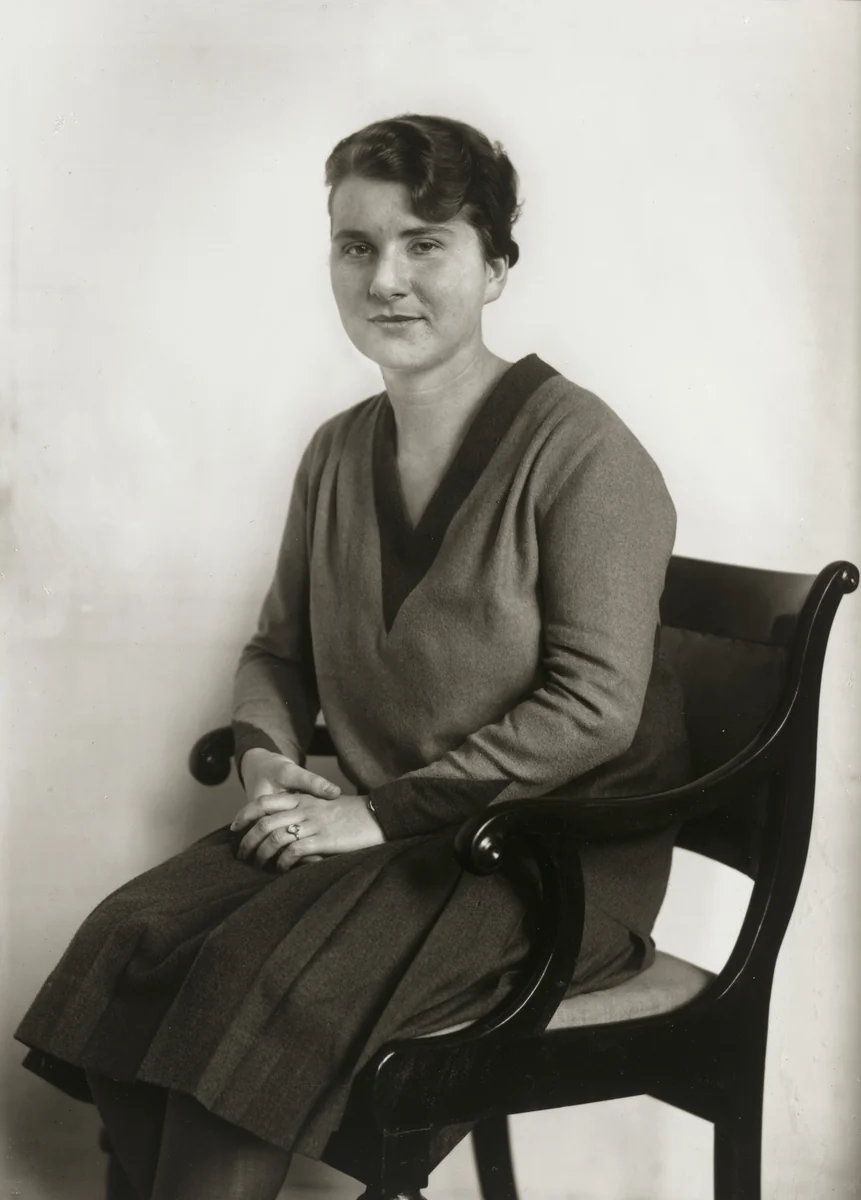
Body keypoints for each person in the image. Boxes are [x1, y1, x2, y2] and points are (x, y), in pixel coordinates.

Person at [15, 114, 692, 1200]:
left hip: (543, 864)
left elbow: (598, 708)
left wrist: (375, 814)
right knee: (133, 942)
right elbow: (276, 649)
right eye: (356, 245)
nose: (387, 278)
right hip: (388, 830)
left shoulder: (585, 452)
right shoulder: (337, 451)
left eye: (427, 243)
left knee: (246, 984)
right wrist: (267, 763)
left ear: (497, 266)